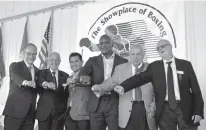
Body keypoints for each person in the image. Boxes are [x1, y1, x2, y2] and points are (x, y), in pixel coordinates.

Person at [114, 39, 204, 130]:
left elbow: (196, 90)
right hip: (165, 110)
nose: (160, 48)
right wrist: (123, 86)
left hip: (185, 108)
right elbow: (139, 78)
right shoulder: (154, 66)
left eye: (163, 45)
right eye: (158, 48)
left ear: (170, 46)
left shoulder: (185, 65)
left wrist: (198, 111)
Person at [92, 44, 157, 130]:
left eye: (138, 54)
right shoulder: (120, 69)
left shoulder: (151, 68)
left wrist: (154, 104)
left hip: (146, 109)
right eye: (132, 54)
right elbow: (111, 82)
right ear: (129, 55)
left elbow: (159, 89)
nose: (135, 57)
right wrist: (100, 87)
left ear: (143, 55)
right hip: (127, 110)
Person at [79, 34, 128, 130]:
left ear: (112, 44)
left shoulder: (123, 61)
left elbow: (127, 80)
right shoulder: (92, 61)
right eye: (101, 43)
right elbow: (82, 74)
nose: (103, 45)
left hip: (115, 101)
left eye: (106, 43)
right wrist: (85, 78)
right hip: (96, 102)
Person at [3, 43, 39, 130]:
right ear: (23, 53)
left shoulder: (38, 71)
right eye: (29, 53)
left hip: (30, 114)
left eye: (34, 54)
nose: (31, 56)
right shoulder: (15, 66)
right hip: (14, 112)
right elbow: (15, 77)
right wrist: (25, 82)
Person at [36, 52, 69, 130]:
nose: (54, 62)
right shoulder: (41, 73)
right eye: (51, 60)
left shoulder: (65, 76)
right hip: (44, 113)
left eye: (56, 60)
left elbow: (66, 95)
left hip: (59, 115)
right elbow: (40, 81)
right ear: (47, 60)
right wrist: (46, 83)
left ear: (60, 61)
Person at [64, 52, 90, 130]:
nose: (73, 64)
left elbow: (86, 81)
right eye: (71, 62)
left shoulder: (88, 74)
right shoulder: (70, 76)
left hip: (83, 116)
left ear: (82, 62)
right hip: (69, 114)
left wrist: (75, 80)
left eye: (76, 61)